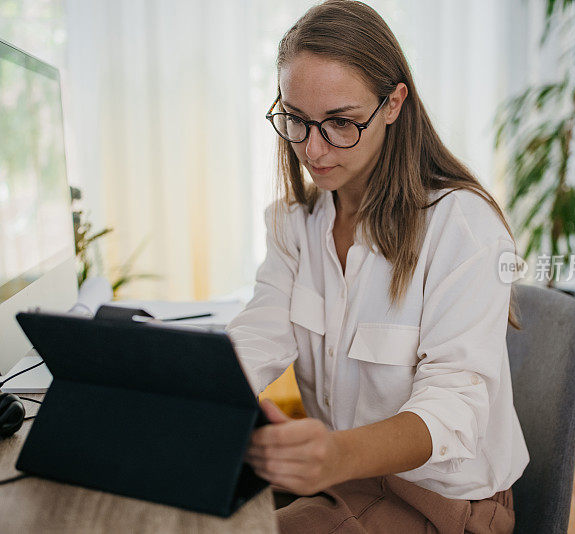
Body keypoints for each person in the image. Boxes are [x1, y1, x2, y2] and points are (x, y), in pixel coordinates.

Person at [226, 1, 529, 532]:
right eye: (295, 120)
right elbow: (258, 335)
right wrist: (179, 384)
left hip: (440, 503)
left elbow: (453, 408)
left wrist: (335, 455)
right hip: (342, 484)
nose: (312, 148)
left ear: (393, 104)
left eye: (340, 123)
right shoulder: (294, 225)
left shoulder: (462, 226)